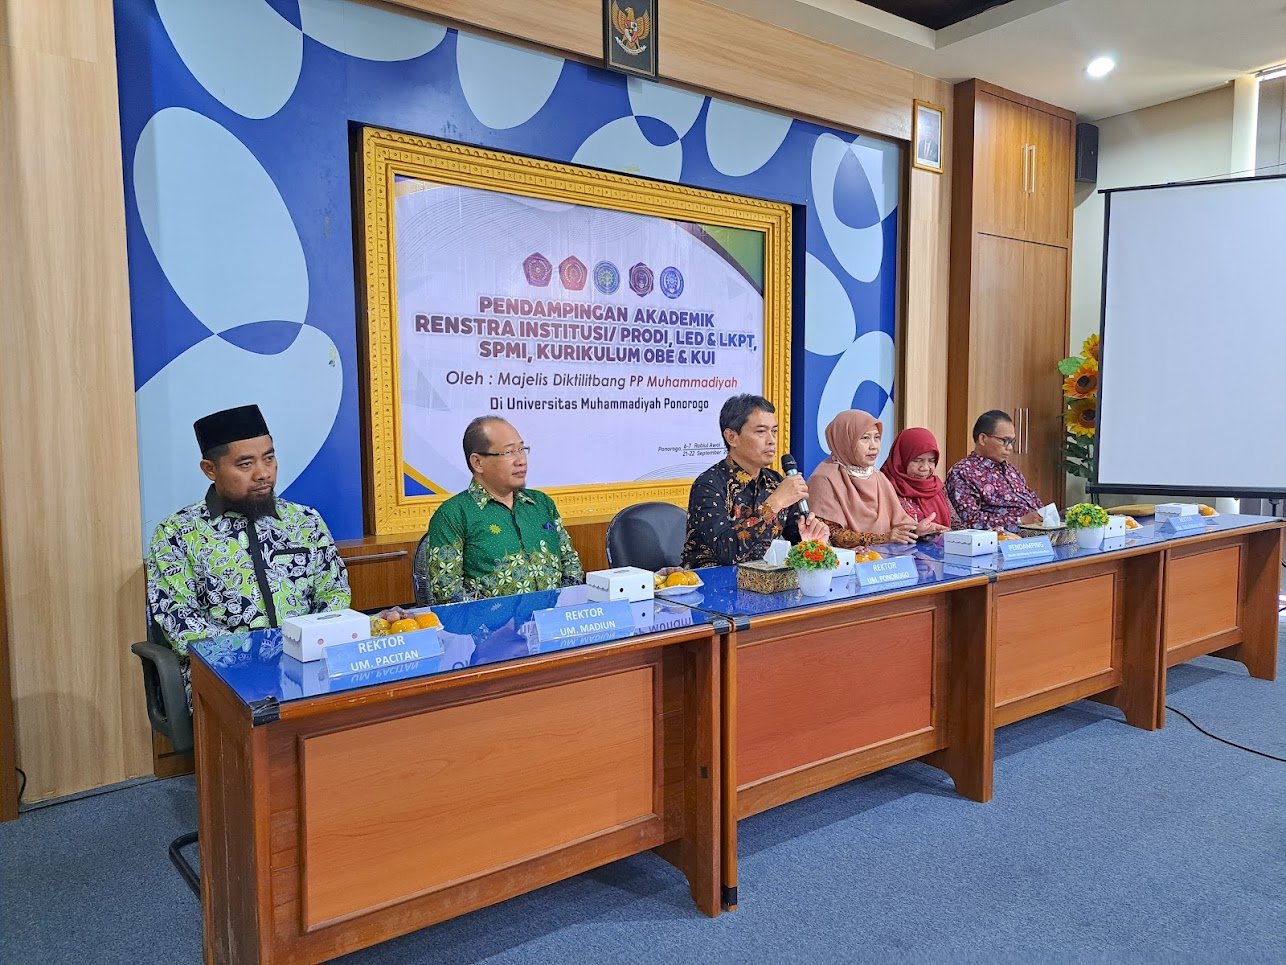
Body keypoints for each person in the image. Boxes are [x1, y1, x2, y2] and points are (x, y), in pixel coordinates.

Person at [146, 404, 351, 671]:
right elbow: (179, 620)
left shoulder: (305, 521)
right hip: (223, 673)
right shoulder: (177, 533)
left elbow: (334, 591)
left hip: (308, 665)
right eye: (246, 464)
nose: (263, 473)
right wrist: (255, 657)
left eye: (269, 458)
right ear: (210, 469)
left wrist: (309, 646)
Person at [416, 417, 583, 604]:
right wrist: (499, 623)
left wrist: (563, 611)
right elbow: (448, 591)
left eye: (522, 449)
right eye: (509, 452)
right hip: (492, 630)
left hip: (555, 624)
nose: (521, 460)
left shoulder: (542, 504)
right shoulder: (454, 514)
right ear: (478, 462)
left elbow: (572, 564)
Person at [681, 394, 829, 568]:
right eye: (760, 432)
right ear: (732, 437)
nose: (771, 440)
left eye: (773, 431)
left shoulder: (775, 481)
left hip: (763, 583)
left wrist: (812, 540)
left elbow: (797, 540)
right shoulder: (709, 485)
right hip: (713, 585)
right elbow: (727, 553)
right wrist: (774, 503)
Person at [808, 410, 943, 547]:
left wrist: (916, 531)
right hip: (847, 563)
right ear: (845, 440)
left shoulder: (877, 476)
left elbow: (897, 523)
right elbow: (831, 534)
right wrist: (883, 538)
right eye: (865, 438)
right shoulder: (824, 478)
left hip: (883, 562)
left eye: (877, 438)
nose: (873, 446)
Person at [945, 410, 1045, 529]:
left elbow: (1033, 501)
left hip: (1038, 534)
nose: (1010, 448)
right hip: (1003, 540)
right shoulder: (962, 472)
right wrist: (1019, 521)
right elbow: (970, 521)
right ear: (983, 439)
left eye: (1012, 441)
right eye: (1005, 441)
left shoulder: (1011, 470)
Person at [881, 427, 954, 530]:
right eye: (917, 460)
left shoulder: (936, 487)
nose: (925, 468)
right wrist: (916, 532)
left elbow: (956, 524)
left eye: (931, 461)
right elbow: (878, 532)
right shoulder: (883, 486)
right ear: (901, 459)